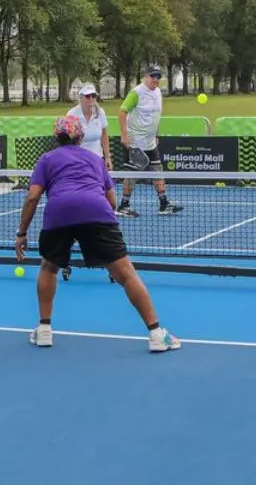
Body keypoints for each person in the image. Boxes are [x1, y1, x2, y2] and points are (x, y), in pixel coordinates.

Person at [14, 115, 180, 353]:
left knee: (49, 268)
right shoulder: (94, 159)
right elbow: (112, 200)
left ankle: (44, 330)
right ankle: (156, 333)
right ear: (81, 136)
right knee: (126, 274)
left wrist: (21, 233)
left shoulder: (46, 159)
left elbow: (32, 197)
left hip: (59, 213)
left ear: (56, 138)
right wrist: (99, 219)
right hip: (96, 211)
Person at [116, 66, 180, 216]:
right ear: (145, 77)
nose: (155, 80)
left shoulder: (158, 92)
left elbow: (156, 116)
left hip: (150, 142)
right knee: (132, 176)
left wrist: (156, 134)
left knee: (158, 172)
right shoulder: (136, 93)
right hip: (135, 142)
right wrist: (124, 135)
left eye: (158, 77)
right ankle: (123, 206)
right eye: (152, 76)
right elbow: (122, 112)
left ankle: (164, 204)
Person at [66, 85, 111, 166]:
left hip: (97, 158)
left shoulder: (100, 112)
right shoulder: (72, 114)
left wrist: (107, 157)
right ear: (80, 98)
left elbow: (104, 135)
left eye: (93, 96)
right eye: (87, 96)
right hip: (77, 160)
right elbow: (68, 139)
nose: (91, 98)